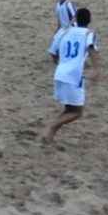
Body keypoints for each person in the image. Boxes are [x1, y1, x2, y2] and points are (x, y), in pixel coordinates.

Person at [44, 8, 99, 143]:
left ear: (75, 18)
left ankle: (50, 135)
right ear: (89, 20)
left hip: (59, 74)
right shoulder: (88, 34)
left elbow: (52, 52)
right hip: (74, 77)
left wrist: (61, 63)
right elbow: (92, 49)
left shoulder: (64, 31)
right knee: (77, 112)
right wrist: (97, 69)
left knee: (69, 109)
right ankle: (50, 128)